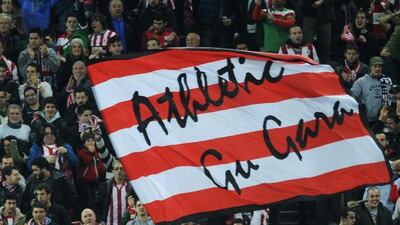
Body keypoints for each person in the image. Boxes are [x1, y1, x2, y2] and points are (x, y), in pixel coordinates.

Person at [351, 56, 392, 125]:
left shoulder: (386, 81)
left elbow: (389, 100)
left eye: (379, 66)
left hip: (383, 119)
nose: (377, 69)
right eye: (375, 66)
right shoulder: (361, 81)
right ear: (370, 67)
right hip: (366, 120)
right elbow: (352, 98)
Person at [97, 160, 136, 225]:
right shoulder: (104, 186)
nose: (119, 171)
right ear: (112, 171)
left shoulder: (132, 187)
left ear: (125, 171)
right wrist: (101, 220)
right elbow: (98, 205)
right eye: (116, 169)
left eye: (121, 168)